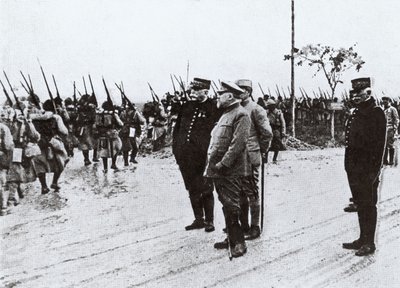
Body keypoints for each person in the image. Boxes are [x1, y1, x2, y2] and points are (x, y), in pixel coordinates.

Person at [204, 81, 251, 258]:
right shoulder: (226, 114)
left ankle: (239, 242)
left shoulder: (241, 114)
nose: (217, 96)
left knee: (232, 204)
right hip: (218, 168)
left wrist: (223, 164)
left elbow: (238, 144)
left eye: (220, 93)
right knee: (225, 203)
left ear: (230, 96)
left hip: (229, 169)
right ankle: (231, 237)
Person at [342, 77, 386, 256]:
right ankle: (362, 238)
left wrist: (374, 172)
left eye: (359, 93)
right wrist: (348, 165)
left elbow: (379, 146)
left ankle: (369, 243)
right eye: (354, 93)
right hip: (353, 167)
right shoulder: (357, 112)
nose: (355, 96)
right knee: (360, 203)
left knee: (369, 204)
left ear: (368, 93)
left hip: (367, 168)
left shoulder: (376, 113)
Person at [172, 77, 221, 232]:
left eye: (195, 90)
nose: (192, 93)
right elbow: (177, 130)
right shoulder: (186, 107)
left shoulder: (213, 107)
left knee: (206, 188)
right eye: (192, 89)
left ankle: (209, 221)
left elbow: (217, 133)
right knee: (192, 188)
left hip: (204, 157)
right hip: (186, 157)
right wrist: (176, 150)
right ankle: (198, 219)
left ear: (205, 91)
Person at [235, 79, 272, 240]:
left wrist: (262, 150)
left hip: (250, 156)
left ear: (248, 92)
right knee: (239, 192)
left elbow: (266, 133)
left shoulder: (257, 109)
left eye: (241, 91)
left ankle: (255, 226)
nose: (237, 94)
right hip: (235, 158)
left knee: (252, 192)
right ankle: (243, 225)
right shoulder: (234, 109)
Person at [31, 99, 69, 194]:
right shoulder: (56, 117)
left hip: (39, 144)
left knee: (39, 164)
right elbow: (64, 131)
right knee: (61, 161)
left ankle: (44, 186)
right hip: (53, 143)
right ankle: (54, 182)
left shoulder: (33, 118)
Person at [94, 101, 123, 172]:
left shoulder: (99, 114)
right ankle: (113, 164)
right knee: (117, 147)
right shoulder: (113, 114)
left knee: (104, 150)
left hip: (102, 134)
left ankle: (105, 168)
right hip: (112, 134)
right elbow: (120, 124)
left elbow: (95, 125)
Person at [0, 107, 14, 216]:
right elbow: (8, 145)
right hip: (1, 156)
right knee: (3, 181)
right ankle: (4, 207)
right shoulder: (3, 128)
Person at [265, 99, 286, 163]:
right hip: (268, 129)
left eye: (270, 106)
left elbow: (283, 123)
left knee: (276, 144)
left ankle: (274, 159)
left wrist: (283, 132)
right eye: (268, 106)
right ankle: (265, 159)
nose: (269, 107)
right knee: (266, 144)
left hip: (276, 129)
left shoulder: (278, 113)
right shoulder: (266, 112)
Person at [382, 96, 399, 165]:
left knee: (390, 145)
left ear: (389, 101)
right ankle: (385, 160)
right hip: (383, 130)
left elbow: (396, 119)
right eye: (383, 101)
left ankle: (391, 161)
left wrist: (394, 128)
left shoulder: (392, 109)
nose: (384, 102)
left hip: (390, 130)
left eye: (386, 100)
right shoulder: (382, 109)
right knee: (384, 145)